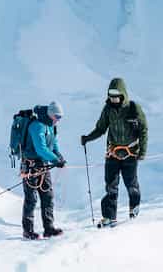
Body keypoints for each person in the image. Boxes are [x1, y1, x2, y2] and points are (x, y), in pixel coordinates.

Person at [80, 76, 148, 225]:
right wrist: (88, 138)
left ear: (122, 95)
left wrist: (142, 151)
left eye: (116, 97)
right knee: (111, 185)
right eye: (111, 97)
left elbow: (143, 129)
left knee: (131, 184)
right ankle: (109, 217)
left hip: (130, 153)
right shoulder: (108, 109)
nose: (113, 100)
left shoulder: (133, 108)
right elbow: (101, 129)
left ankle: (134, 209)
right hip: (113, 153)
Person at [20, 101, 66, 240]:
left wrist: (59, 156)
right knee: (31, 198)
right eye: (56, 117)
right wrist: (55, 160)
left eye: (60, 118)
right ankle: (28, 230)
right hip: (30, 165)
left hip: (43, 165)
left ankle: (49, 228)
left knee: (48, 196)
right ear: (50, 114)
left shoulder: (51, 126)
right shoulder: (37, 126)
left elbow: (54, 143)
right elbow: (41, 148)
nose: (58, 120)